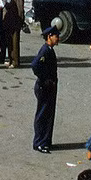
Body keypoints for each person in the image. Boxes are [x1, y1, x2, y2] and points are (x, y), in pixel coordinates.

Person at [32, 25, 60, 153]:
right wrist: (45, 80)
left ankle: (46, 141)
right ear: (49, 37)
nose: (57, 39)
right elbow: (35, 65)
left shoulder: (49, 49)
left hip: (49, 87)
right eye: (56, 36)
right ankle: (39, 142)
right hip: (45, 87)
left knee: (48, 114)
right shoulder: (45, 50)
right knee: (43, 114)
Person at [3, 0, 24, 68]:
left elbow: (20, 10)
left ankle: (15, 61)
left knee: (14, 42)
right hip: (10, 21)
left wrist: (20, 22)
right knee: (10, 42)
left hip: (15, 21)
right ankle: (11, 59)